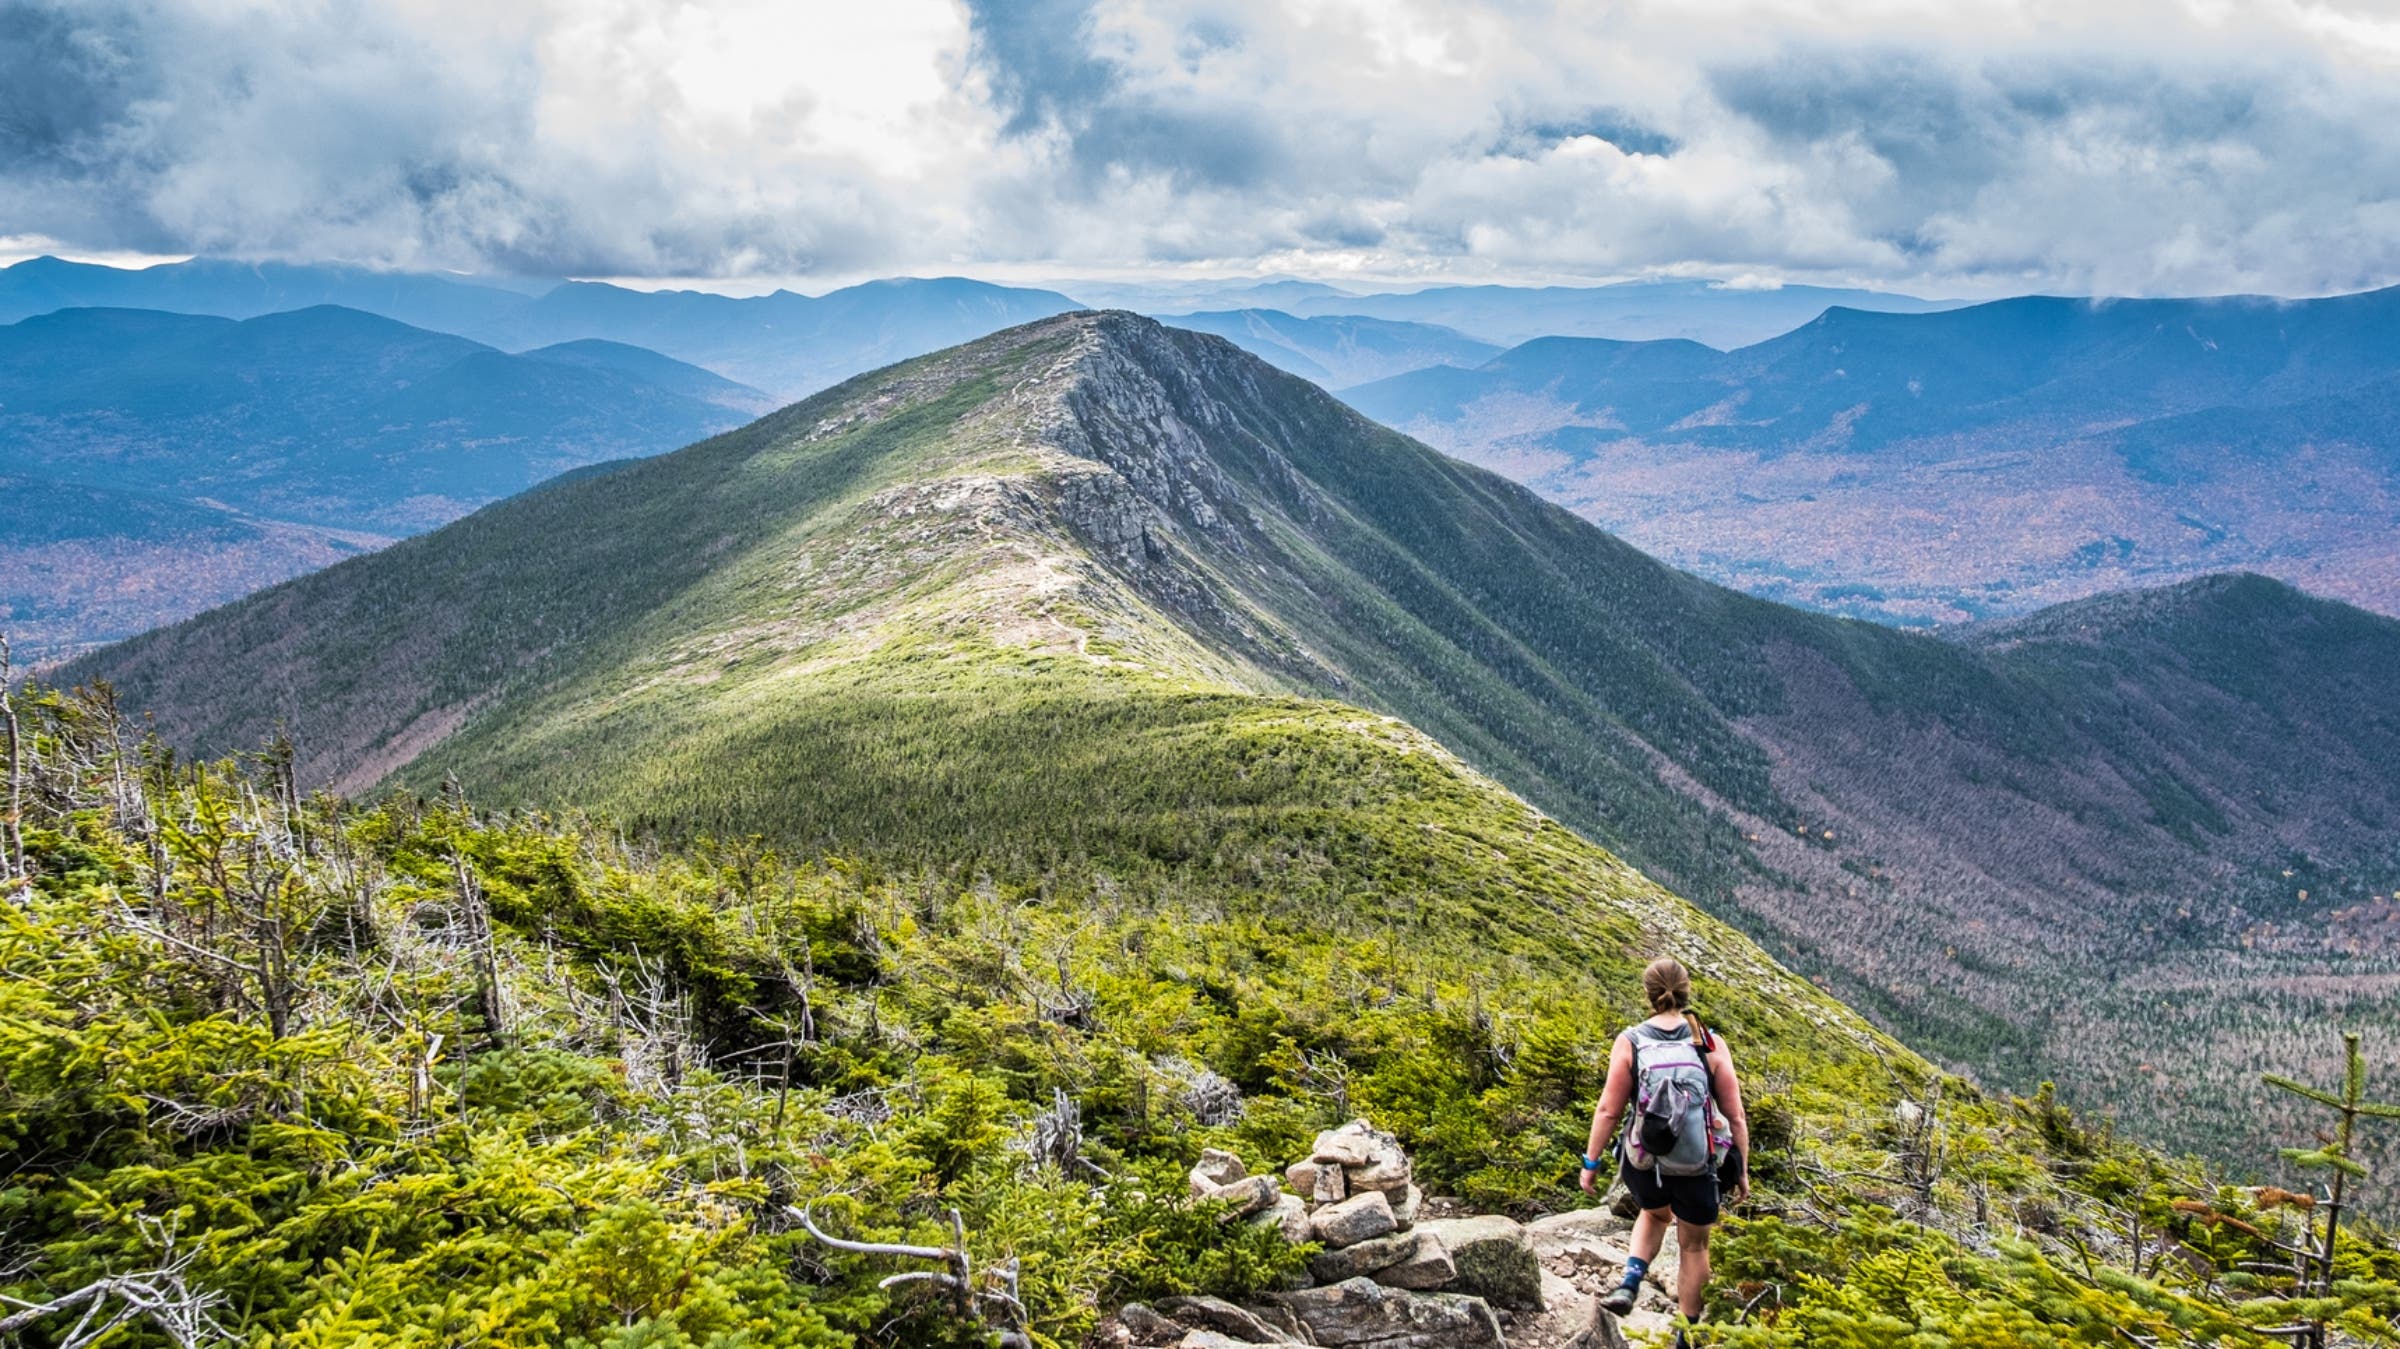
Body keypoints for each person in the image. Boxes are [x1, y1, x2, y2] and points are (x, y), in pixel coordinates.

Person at [1578, 956, 1750, 1341]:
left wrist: (1591, 1162)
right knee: (1693, 1246)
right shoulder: (1708, 1041)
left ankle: (1630, 1281)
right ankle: (1685, 1335)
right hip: (1698, 1165)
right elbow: (1735, 1116)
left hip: (1645, 1163)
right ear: (1686, 992)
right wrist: (1740, 1171)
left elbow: (1608, 1109)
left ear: (1649, 994)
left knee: (1654, 1215)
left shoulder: (1632, 1041)